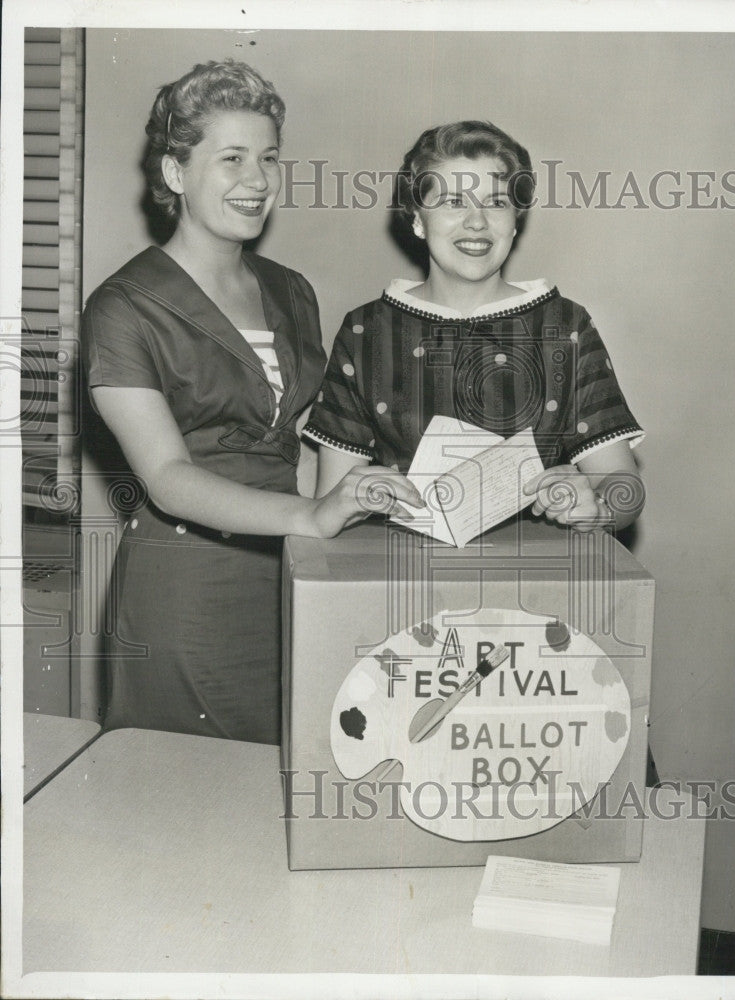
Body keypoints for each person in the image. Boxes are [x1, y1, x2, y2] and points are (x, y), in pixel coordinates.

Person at [82, 60, 420, 744]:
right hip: (186, 589)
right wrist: (313, 515)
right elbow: (168, 480)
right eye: (231, 157)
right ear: (176, 173)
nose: (259, 179)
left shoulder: (290, 289)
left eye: (268, 157)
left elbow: (288, 447)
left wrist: (361, 498)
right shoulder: (122, 306)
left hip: (287, 576)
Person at [303, 120, 645, 531]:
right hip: (399, 574)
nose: (477, 222)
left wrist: (599, 507)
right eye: (452, 202)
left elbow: (625, 490)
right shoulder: (366, 331)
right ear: (416, 217)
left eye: (496, 203)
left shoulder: (566, 325)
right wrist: (356, 496)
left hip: (537, 576)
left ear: (516, 220)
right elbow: (329, 505)